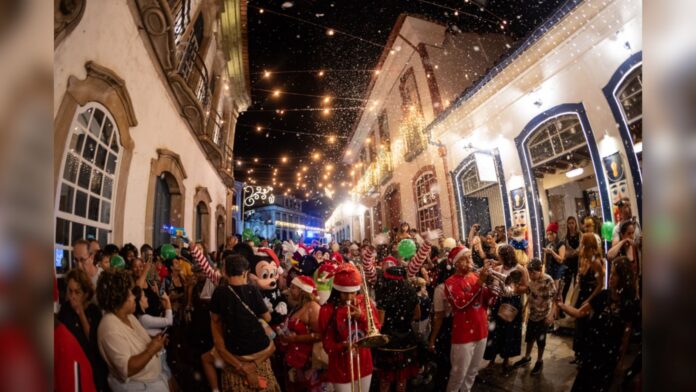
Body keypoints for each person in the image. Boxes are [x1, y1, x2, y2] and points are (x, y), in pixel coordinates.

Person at [557, 257, 638, 391]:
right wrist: (561, 305)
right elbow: (579, 313)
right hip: (593, 350)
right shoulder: (603, 296)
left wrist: (620, 361)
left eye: (615, 274)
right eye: (611, 273)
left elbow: (626, 334)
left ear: (623, 278)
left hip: (609, 356)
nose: (611, 277)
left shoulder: (629, 304)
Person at [208, 254, 279, 391]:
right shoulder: (253, 290)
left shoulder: (220, 292)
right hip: (260, 350)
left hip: (235, 352)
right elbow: (268, 318)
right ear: (245, 273)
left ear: (224, 272)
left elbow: (215, 319)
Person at [96, 270, 169, 391]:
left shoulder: (128, 316)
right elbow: (127, 369)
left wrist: (154, 341)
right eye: (130, 294)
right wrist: (151, 350)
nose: (134, 297)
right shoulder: (109, 328)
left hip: (150, 383)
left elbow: (137, 343)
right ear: (120, 299)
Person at [319, 263, 381, 392]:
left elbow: (377, 328)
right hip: (340, 367)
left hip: (364, 363)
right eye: (344, 293)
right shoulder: (327, 310)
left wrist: (362, 317)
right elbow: (327, 345)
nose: (349, 297)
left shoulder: (364, 302)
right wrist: (343, 346)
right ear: (336, 291)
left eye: (353, 293)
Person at [443, 246, 496, 392]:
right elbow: (460, 304)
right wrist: (480, 283)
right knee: (458, 376)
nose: (469, 261)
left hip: (482, 331)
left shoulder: (474, 276)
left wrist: (492, 289)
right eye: (464, 258)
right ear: (456, 263)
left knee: (472, 372)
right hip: (464, 335)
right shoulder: (450, 282)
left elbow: (487, 303)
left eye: (470, 257)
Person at [58, 269, 108, 391]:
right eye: (70, 291)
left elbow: (93, 342)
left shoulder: (94, 311)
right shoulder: (65, 310)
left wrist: (80, 313)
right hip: (71, 365)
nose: (72, 296)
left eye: (77, 292)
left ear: (86, 294)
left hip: (91, 367)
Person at [483, 244, 529, 375]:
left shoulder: (520, 269)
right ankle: (492, 358)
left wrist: (513, 288)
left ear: (506, 257)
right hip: (499, 301)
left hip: (512, 302)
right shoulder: (498, 268)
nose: (499, 258)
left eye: (500, 256)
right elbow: (491, 284)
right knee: (495, 331)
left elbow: (526, 287)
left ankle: (506, 360)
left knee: (509, 332)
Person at [374, 266, 420, 392]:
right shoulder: (410, 290)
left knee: (385, 379)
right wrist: (404, 320)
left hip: (388, 341)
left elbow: (381, 322)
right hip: (406, 341)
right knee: (402, 378)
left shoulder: (384, 292)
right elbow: (418, 315)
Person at [278, 276, 322, 391]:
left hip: (307, 362)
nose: (289, 290)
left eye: (293, 288)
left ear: (303, 291)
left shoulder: (313, 306)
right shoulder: (298, 306)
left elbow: (319, 335)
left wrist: (295, 339)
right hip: (295, 359)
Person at [513, 258, 556, 375]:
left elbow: (557, 300)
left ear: (540, 270)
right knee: (530, 338)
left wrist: (552, 315)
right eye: (529, 272)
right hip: (532, 315)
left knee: (541, 341)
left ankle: (539, 361)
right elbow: (527, 291)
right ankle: (527, 357)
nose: (531, 275)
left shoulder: (548, 281)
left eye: (533, 272)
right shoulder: (530, 281)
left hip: (544, 316)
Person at [572, 233, 605, 365]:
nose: (581, 246)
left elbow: (600, 285)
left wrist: (590, 300)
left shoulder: (596, 262)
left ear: (589, 246)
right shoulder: (585, 260)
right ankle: (579, 354)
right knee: (580, 326)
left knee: (586, 327)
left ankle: (585, 356)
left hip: (590, 297)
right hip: (583, 295)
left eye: (583, 244)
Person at [427, 246, 457, 391]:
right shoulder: (457, 284)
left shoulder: (440, 289)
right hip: (458, 325)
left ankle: (443, 386)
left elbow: (439, 317)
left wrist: (432, 339)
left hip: (446, 327)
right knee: (456, 361)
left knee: (444, 363)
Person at [607, 220, 641, 299]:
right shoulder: (619, 248)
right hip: (619, 291)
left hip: (632, 290)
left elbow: (636, 273)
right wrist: (623, 241)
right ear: (622, 235)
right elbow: (609, 256)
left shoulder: (634, 247)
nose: (631, 236)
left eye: (632, 233)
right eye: (628, 234)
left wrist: (637, 291)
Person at [543, 222, 566, 294]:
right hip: (549, 271)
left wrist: (552, 252)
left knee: (557, 294)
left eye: (550, 234)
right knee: (550, 294)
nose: (549, 236)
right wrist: (544, 269)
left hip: (557, 271)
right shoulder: (548, 243)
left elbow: (561, 260)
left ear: (555, 233)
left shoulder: (560, 243)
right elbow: (545, 260)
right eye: (547, 234)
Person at [563, 216, 582, 302]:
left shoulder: (580, 235)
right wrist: (572, 253)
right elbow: (565, 252)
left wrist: (573, 252)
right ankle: (562, 307)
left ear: (575, 224)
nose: (571, 225)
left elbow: (581, 248)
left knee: (577, 284)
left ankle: (575, 303)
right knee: (566, 284)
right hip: (568, 263)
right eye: (569, 223)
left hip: (578, 262)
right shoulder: (566, 237)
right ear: (567, 224)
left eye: (572, 223)